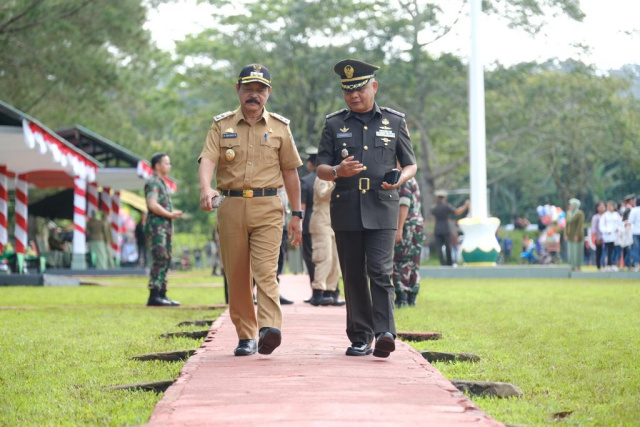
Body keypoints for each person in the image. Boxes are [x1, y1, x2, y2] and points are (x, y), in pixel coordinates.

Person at [198, 63, 303, 357]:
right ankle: (246, 334)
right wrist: (206, 188)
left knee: (266, 271)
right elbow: (207, 159)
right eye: (248, 89)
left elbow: (291, 172)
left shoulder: (280, 128)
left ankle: (269, 328)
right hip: (230, 206)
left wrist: (297, 214)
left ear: (269, 93)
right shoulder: (221, 125)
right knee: (238, 275)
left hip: (269, 206)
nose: (253, 95)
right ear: (238, 90)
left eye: (260, 90)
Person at [316, 59, 417, 358]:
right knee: (354, 274)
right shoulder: (334, 123)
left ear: (373, 86)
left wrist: (401, 177)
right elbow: (321, 167)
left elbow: (410, 164)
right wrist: (337, 171)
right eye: (347, 91)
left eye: (359, 89)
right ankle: (360, 336)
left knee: (380, 270)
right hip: (346, 207)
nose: (353, 96)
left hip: (382, 205)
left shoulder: (394, 121)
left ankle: (385, 332)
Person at [145, 152, 183, 306]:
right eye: (166, 163)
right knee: (160, 258)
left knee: (166, 258)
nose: (169, 166)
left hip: (164, 227)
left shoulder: (162, 182)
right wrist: (170, 214)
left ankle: (162, 294)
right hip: (157, 227)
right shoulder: (153, 182)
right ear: (157, 165)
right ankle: (154, 294)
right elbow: (152, 204)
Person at [308, 175, 344, 306]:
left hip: (334, 223)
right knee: (324, 258)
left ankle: (330, 292)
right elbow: (323, 195)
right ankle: (318, 292)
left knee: (335, 260)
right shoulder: (322, 178)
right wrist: (337, 184)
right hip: (321, 223)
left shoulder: (336, 179)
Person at [393, 177, 425, 308]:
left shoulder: (404, 180)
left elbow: (404, 204)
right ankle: (412, 296)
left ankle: (402, 297)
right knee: (414, 261)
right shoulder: (413, 179)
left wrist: (399, 229)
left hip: (407, 225)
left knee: (401, 260)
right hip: (417, 225)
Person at [431, 191, 469, 266]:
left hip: (437, 229)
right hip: (445, 228)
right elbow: (457, 212)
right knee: (448, 247)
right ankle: (449, 263)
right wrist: (465, 206)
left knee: (439, 248)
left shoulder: (434, 208)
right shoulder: (446, 206)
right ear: (444, 198)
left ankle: (442, 263)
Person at [300, 147, 318, 303]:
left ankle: (315, 290)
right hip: (327, 222)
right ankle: (330, 290)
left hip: (308, 224)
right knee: (327, 257)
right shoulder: (329, 179)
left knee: (310, 258)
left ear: (310, 164)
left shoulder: (305, 181)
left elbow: (303, 206)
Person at [599, 200, 622, 271]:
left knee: (615, 251)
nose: (609, 207)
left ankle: (613, 264)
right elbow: (601, 226)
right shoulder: (605, 215)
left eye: (611, 206)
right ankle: (607, 265)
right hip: (607, 236)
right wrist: (606, 231)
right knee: (608, 251)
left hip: (615, 236)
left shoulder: (617, 215)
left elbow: (620, 224)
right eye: (608, 206)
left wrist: (618, 229)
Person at [565, 198, 585, 271]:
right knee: (571, 252)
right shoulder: (568, 213)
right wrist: (566, 234)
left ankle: (578, 266)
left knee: (577, 251)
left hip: (578, 236)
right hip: (570, 236)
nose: (570, 206)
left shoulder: (580, 213)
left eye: (571, 205)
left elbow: (580, 225)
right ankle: (572, 265)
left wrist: (577, 235)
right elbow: (566, 224)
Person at [590, 202, 606, 270]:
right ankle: (599, 267)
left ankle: (606, 266)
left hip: (607, 238)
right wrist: (596, 238)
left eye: (603, 206)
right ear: (597, 208)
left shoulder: (607, 216)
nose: (602, 208)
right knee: (599, 253)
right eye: (600, 206)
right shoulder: (595, 217)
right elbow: (594, 229)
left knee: (606, 253)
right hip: (599, 237)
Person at [628, 196, 640, 271]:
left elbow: (630, 221)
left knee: (636, 249)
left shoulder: (634, 210)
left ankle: (636, 265)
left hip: (636, 232)